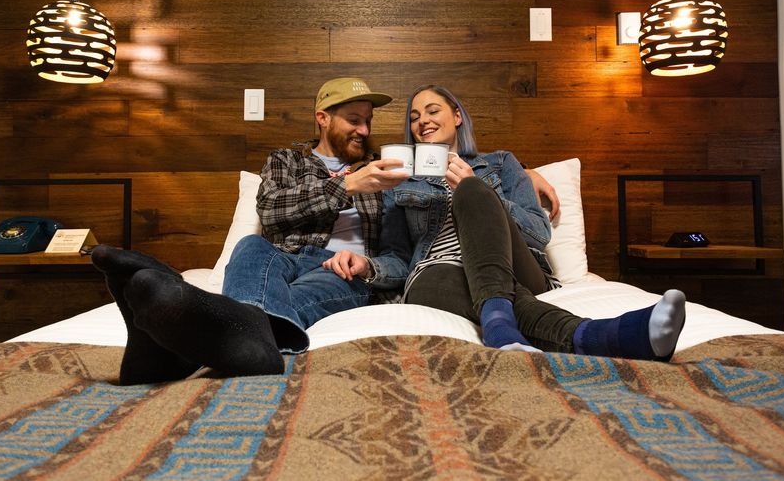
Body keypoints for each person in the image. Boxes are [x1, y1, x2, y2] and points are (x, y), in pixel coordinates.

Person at [323, 84, 686, 361]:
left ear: (457, 116)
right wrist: (369, 266)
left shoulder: (501, 164)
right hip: (436, 272)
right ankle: (595, 335)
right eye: (414, 117)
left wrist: (478, 188)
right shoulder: (400, 181)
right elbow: (400, 258)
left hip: (516, 267)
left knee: (472, 190)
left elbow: (538, 232)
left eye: (433, 110)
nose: (422, 121)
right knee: (465, 281)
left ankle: (498, 325)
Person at [91, 77, 409, 385]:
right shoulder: (286, 161)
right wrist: (346, 185)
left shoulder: (384, 173)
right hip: (277, 260)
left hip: (338, 269)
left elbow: (398, 258)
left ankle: (166, 350)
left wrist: (367, 265)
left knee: (273, 303)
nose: (364, 130)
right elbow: (271, 210)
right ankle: (228, 348)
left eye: (368, 121)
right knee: (250, 244)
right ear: (322, 118)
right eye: (354, 120)